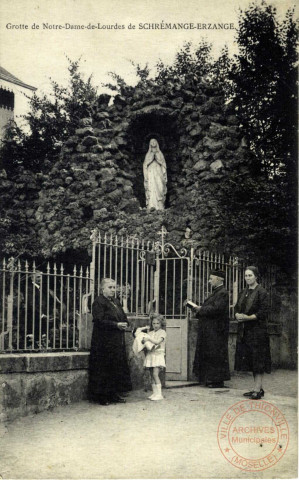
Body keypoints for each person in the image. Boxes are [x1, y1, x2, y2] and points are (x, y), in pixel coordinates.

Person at [89, 278, 132, 405]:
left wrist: (125, 323)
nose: (113, 290)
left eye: (114, 287)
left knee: (116, 367)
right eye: (110, 287)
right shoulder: (98, 302)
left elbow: (123, 316)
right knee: (104, 368)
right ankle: (102, 397)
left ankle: (114, 394)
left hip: (116, 340)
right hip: (103, 341)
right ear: (102, 289)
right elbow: (99, 320)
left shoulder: (116, 302)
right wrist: (116, 324)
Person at [234, 266, 271, 400]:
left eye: (250, 275)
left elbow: (264, 312)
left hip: (258, 331)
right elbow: (238, 307)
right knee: (251, 360)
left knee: (258, 360)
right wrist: (237, 314)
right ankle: (258, 387)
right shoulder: (243, 292)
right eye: (246, 276)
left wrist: (248, 318)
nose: (247, 278)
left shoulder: (262, 292)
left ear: (256, 276)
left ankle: (257, 389)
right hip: (246, 332)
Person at [192, 270, 230, 388]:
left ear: (219, 279)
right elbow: (210, 308)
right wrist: (198, 310)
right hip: (210, 329)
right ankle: (210, 379)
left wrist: (200, 309)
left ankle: (217, 380)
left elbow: (216, 309)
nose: (209, 281)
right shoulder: (216, 292)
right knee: (210, 353)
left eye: (211, 278)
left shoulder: (223, 293)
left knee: (215, 354)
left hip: (216, 330)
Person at [141, 314, 167, 401]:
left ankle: (159, 394)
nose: (155, 325)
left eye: (158, 323)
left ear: (161, 324)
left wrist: (148, 338)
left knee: (156, 374)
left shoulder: (162, 332)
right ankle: (155, 393)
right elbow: (146, 343)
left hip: (158, 355)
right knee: (152, 375)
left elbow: (157, 342)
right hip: (151, 355)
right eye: (154, 323)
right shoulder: (150, 333)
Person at [143, 138, 167, 210]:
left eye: (154, 141)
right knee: (151, 186)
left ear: (157, 143)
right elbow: (145, 164)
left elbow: (163, 164)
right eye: (151, 142)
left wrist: (157, 158)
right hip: (150, 171)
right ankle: (151, 205)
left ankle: (160, 204)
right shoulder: (148, 154)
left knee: (159, 185)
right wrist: (150, 159)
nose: (153, 143)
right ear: (150, 144)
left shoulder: (159, 153)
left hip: (158, 171)